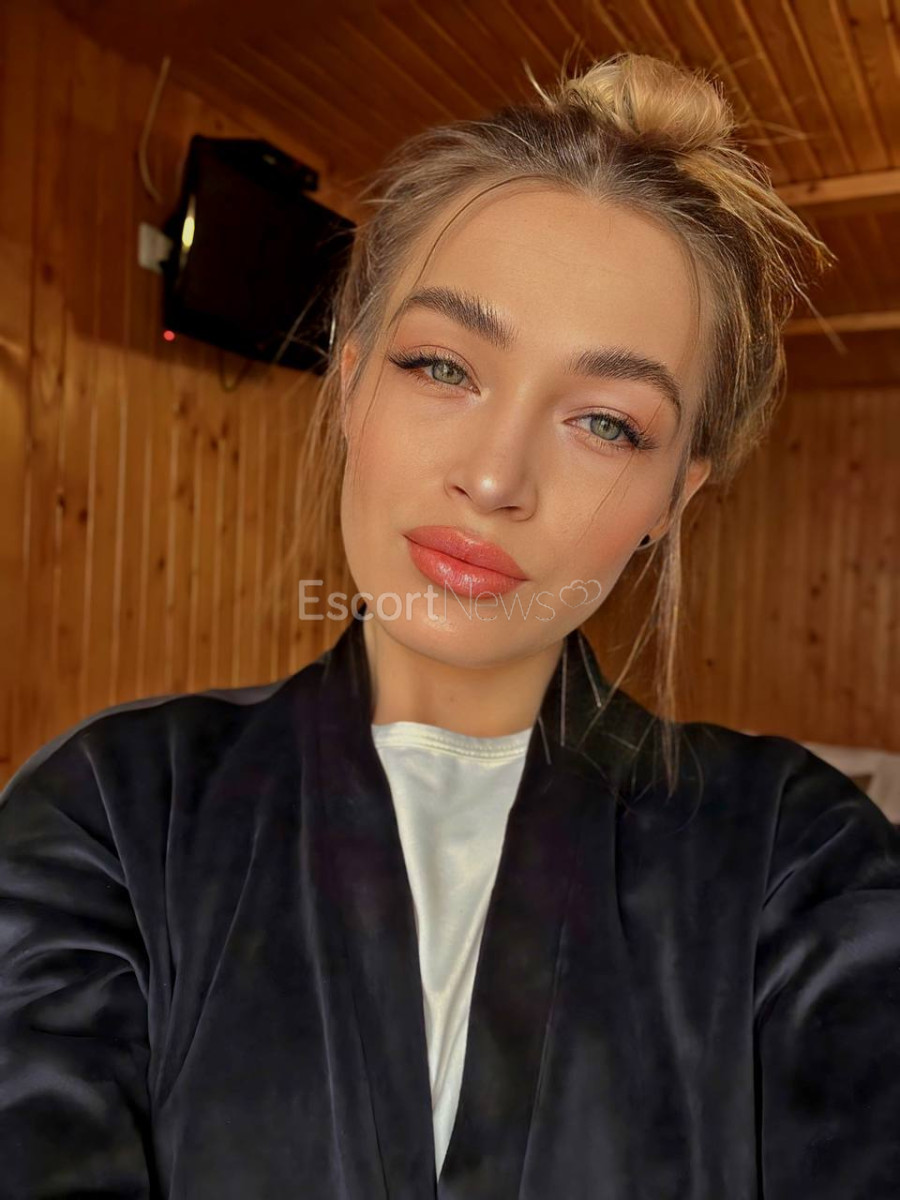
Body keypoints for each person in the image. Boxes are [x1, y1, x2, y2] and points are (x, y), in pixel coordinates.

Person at [1, 52, 899, 1200]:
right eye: (441, 365)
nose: (494, 477)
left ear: (673, 496)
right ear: (351, 381)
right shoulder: (115, 808)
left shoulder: (800, 857)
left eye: (607, 424)